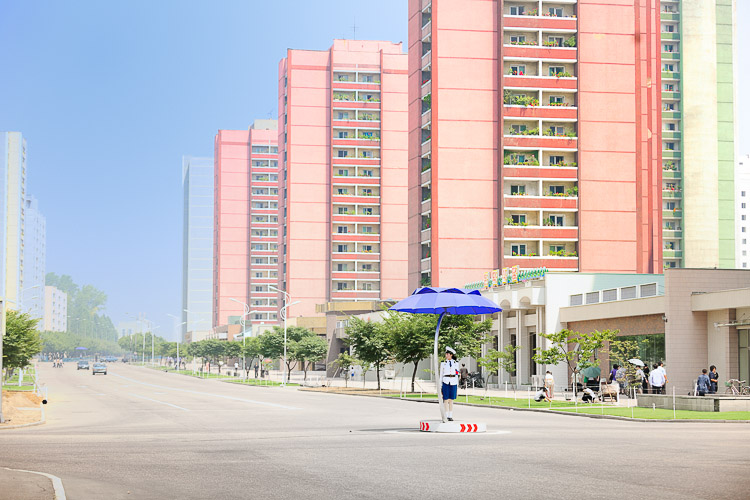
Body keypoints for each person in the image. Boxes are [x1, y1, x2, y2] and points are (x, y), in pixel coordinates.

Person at [440, 347, 460, 421]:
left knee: (451, 399)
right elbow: (441, 374)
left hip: (453, 381)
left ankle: (450, 415)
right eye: (446, 354)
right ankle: (446, 414)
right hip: (445, 381)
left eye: (447, 354)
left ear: (451, 355)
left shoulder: (456, 363)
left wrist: (457, 383)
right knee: (445, 399)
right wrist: (440, 384)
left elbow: (457, 373)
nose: (446, 355)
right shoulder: (443, 363)